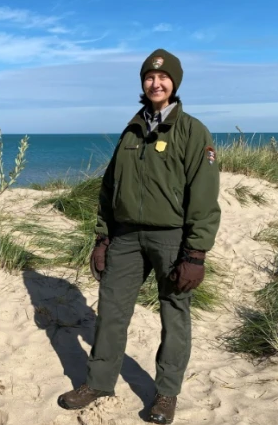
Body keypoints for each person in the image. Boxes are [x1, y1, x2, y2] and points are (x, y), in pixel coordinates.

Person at [57, 49, 221, 424]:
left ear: (174, 83)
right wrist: (103, 238)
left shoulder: (194, 131)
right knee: (111, 312)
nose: (156, 83)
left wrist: (196, 253)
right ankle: (98, 382)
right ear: (143, 84)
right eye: (149, 77)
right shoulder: (131, 130)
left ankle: (166, 394)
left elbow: (204, 195)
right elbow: (109, 188)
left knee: (174, 316)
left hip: (172, 238)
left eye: (163, 78)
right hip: (127, 237)